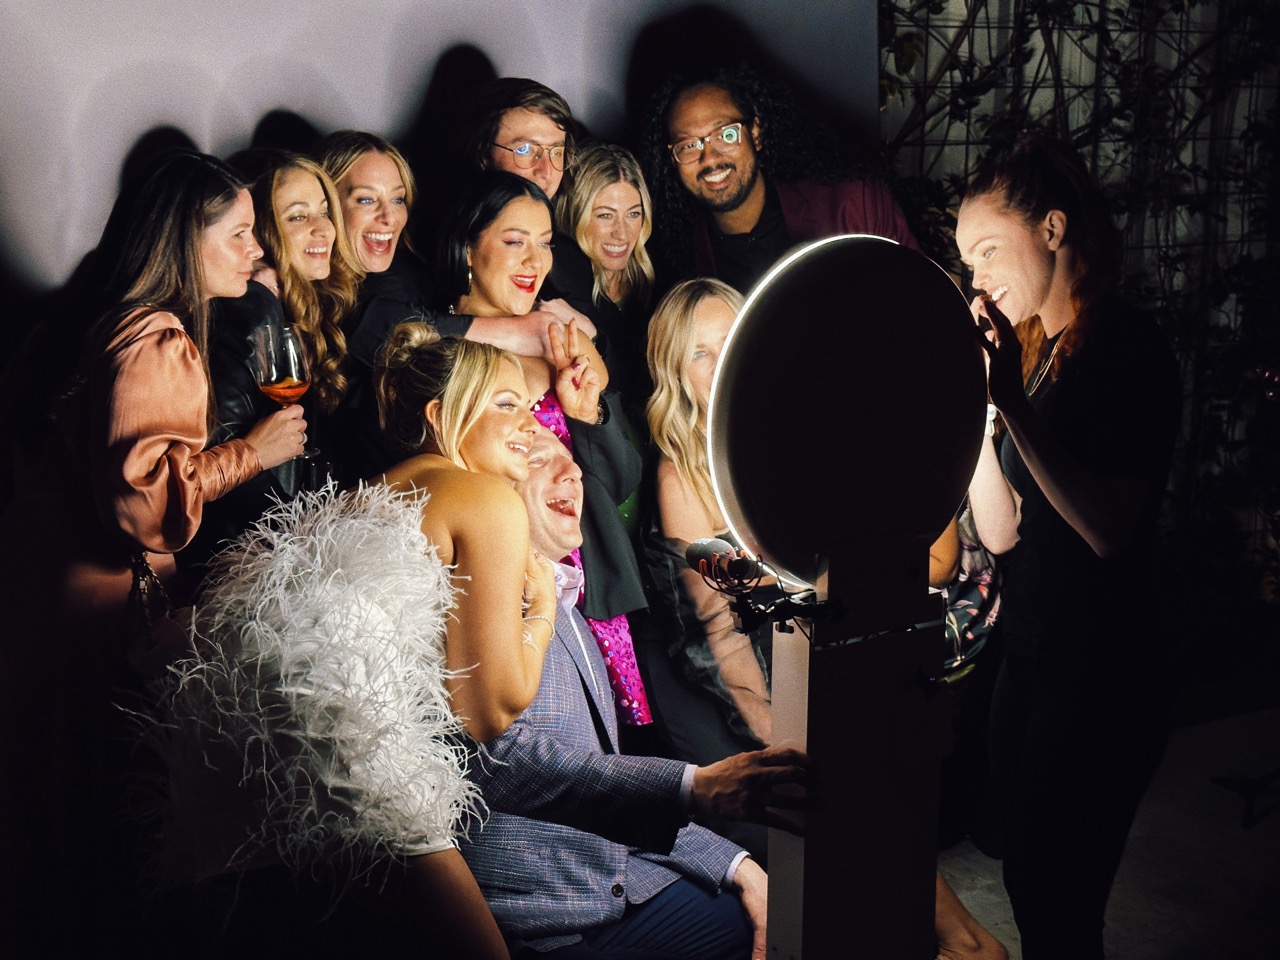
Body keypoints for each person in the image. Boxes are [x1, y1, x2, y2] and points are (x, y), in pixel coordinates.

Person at [159, 323, 558, 958]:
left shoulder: (359, 498)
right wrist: (543, 611)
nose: (533, 426)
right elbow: (489, 709)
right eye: (505, 404)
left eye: (531, 407)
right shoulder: (484, 499)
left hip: (222, 787)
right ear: (439, 414)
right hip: (343, 773)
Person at [641, 279, 1004, 959]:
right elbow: (719, 639)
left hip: (824, 635)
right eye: (699, 353)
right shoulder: (680, 475)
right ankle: (962, 939)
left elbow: (881, 551)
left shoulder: (786, 432)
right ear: (673, 372)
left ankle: (963, 939)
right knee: (833, 786)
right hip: (732, 674)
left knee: (875, 770)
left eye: (731, 344)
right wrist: (785, 731)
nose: (720, 365)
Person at [0, 149, 305, 955]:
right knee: (111, 827)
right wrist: (254, 453)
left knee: (46, 829)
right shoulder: (157, 337)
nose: (257, 252)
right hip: (95, 609)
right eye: (240, 234)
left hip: (34, 595)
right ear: (184, 240)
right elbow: (142, 505)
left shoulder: (81, 320)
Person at [462, 424, 812, 960]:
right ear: (487, 489)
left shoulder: (569, 612)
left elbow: (608, 776)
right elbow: (506, 765)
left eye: (570, 458)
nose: (573, 470)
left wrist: (737, 866)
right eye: (536, 460)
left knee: (775, 914)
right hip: (533, 918)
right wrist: (693, 787)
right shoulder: (470, 610)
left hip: (608, 885)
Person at [957, 134, 1180, 959]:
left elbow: (1107, 529)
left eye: (987, 250)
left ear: (1052, 229)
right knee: (1027, 881)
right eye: (966, 260)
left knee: (1062, 904)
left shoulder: (1125, 347)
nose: (977, 278)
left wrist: (1010, 403)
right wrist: (978, 413)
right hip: (1031, 656)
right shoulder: (1037, 356)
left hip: (1105, 670)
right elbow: (1006, 528)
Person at [441, 170, 653, 729]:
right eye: (514, 242)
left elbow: (622, 478)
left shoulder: (565, 337)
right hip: (503, 580)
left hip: (590, 581)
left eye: (544, 243)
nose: (534, 260)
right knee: (531, 743)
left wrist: (590, 415)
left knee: (606, 752)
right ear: (468, 247)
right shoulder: (443, 355)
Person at [319, 129, 585, 480]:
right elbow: (375, 330)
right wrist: (510, 332)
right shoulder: (335, 291)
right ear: (327, 204)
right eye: (366, 199)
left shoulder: (408, 271)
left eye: (398, 200)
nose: (388, 217)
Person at [180, 149, 361, 569]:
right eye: (298, 217)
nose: (323, 229)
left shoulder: (299, 301)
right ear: (261, 230)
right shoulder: (253, 306)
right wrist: (305, 548)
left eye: (323, 211)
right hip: (244, 556)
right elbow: (223, 439)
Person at [642, 62, 920, 294]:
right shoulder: (675, 262)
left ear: (755, 134)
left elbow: (925, 299)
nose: (710, 158)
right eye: (689, 145)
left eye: (726, 135)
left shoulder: (854, 204)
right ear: (672, 160)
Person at [555, 141, 657, 422]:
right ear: (576, 214)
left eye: (633, 214)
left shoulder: (655, 286)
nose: (621, 233)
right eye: (605, 215)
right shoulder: (558, 287)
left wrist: (593, 335)